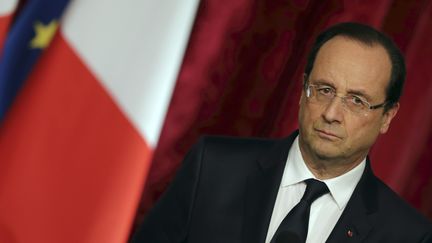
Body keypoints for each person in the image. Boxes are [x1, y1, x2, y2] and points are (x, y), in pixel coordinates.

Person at [131, 22, 432, 243]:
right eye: (324, 90)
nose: (331, 114)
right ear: (303, 90)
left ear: (387, 117)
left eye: (356, 101)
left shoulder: (407, 234)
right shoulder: (213, 167)